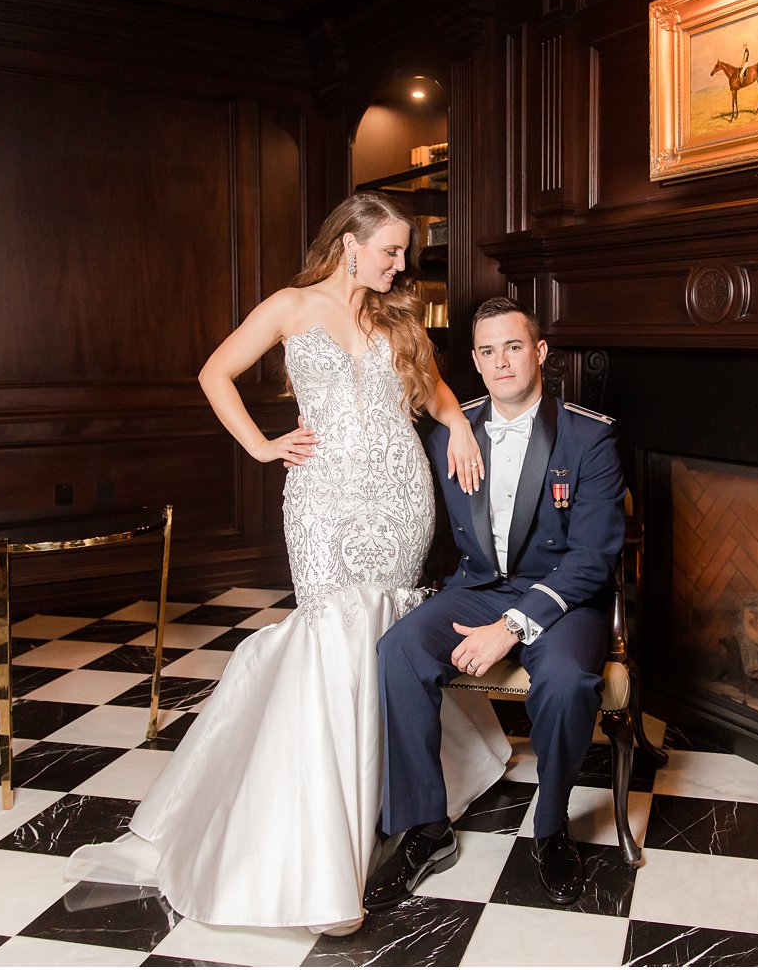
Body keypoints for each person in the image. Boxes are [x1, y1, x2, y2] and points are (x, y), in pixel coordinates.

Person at [66, 192, 510, 936]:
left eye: (405, 252)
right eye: (392, 250)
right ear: (350, 242)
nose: (403, 264)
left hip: (401, 497)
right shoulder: (288, 306)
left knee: (386, 643)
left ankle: (385, 794)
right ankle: (319, 851)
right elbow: (215, 374)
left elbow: (432, 388)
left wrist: (459, 424)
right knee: (331, 642)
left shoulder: (396, 315)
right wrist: (261, 446)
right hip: (323, 499)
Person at [365, 297, 625, 910]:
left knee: (563, 681)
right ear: (476, 363)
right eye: (487, 351)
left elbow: (593, 557)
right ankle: (427, 828)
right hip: (477, 586)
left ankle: (553, 827)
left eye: (514, 346)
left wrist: (512, 628)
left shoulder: (590, 436)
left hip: (564, 596)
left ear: (539, 353)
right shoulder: (452, 430)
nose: (501, 361)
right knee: (398, 650)